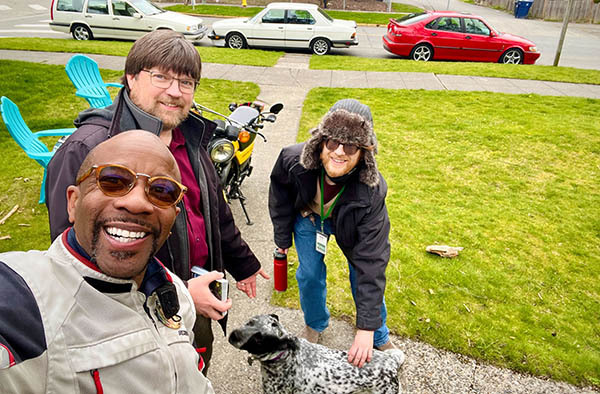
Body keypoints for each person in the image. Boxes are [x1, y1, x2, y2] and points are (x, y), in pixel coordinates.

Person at [45, 29, 268, 371]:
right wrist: (175, 294)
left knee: (190, 374)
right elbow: (71, 259)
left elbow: (212, 209)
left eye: (187, 82)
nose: (175, 92)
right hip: (130, 326)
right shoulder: (89, 148)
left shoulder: (190, 139)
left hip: (194, 304)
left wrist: (244, 264)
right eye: (161, 77)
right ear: (131, 78)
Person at [0, 131, 214, 393]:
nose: (136, 203)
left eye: (162, 191)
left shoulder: (175, 293)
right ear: (73, 202)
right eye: (112, 180)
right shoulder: (28, 301)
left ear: (172, 219)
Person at [268, 98, 400, 369]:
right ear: (321, 141)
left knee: (359, 274)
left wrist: (366, 328)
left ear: (365, 152)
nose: (339, 152)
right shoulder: (292, 159)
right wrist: (282, 238)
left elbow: (372, 264)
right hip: (309, 217)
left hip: (350, 225)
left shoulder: (371, 192)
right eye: (332, 143)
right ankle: (315, 323)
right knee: (309, 274)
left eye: (350, 146)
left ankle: (378, 332)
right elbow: (279, 196)